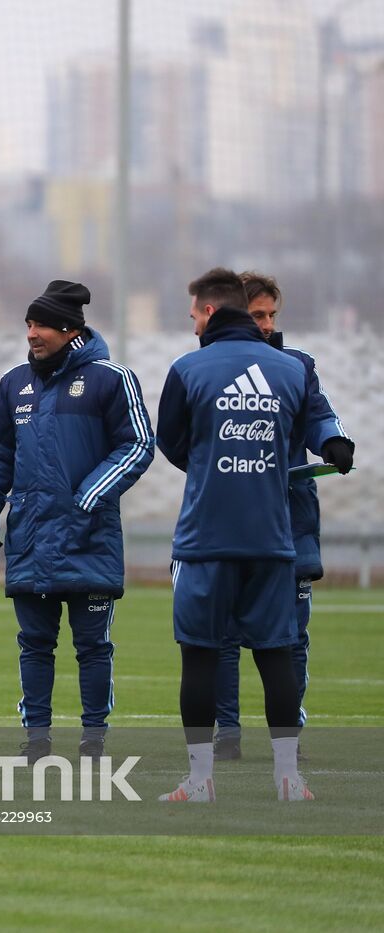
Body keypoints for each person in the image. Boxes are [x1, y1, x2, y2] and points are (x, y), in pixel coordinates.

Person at [0, 280, 154, 759]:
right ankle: (37, 740)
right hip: (30, 536)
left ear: (71, 330)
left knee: (93, 647)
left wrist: (88, 495)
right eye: (29, 323)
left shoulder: (112, 379)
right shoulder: (14, 384)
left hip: (89, 537)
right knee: (34, 644)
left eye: (43, 324)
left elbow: (137, 445)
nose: (32, 333)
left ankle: (94, 737)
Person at [156, 267, 312, 802]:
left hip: (205, 539)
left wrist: (213, 463)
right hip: (271, 537)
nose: (192, 323)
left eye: (193, 313)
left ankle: (200, 783)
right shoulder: (290, 371)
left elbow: (172, 443)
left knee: (199, 657)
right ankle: (289, 779)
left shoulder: (188, 368)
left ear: (208, 312)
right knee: (276, 655)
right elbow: (293, 438)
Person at [212, 271, 353, 761]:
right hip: (229, 519)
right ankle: (226, 733)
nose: (267, 324)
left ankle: (287, 736)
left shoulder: (297, 367)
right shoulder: (211, 368)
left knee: (293, 636)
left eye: (272, 315)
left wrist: (332, 439)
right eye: (257, 315)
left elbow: (317, 412)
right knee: (225, 633)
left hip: (289, 525)